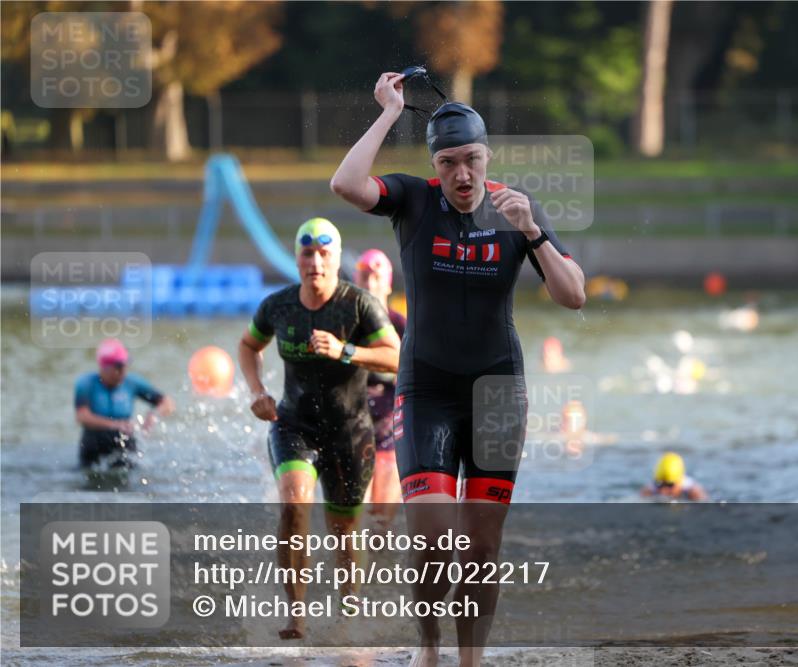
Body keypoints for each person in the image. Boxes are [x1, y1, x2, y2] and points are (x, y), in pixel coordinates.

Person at [331, 71, 586, 667]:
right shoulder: (414, 200)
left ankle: (470, 659)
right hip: (428, 390)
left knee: (481, 546)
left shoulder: (516, 208)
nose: (462, 175)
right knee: (431, 541)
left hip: (498, 392)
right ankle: (428, 646)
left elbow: (574, 295)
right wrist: (390, 113)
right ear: (435, 165)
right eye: (449, 163)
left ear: (487, 156)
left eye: (472, 159)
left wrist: (532, 232)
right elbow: (345, 184)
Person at [237, 218, 401, 640]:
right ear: (297, 259)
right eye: (307, 253)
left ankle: (348, 612)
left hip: (351, 431)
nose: (316, 262)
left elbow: (395, 356)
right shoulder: (278, 306)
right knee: (294, 505)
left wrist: (345, 350)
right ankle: (297, 616)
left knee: (344, 531)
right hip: (294, 424)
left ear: (336, 258)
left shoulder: (359, 304)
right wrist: (257, 391)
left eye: (324, 254)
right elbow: (248, 345)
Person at [355, 249, 407, 524]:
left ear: (388, 284)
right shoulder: (345, 326)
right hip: (354, 427)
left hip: (390, 429)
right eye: (364, 277)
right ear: (356, 282)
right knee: (353, 518)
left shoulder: (402, 326)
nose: (370, 284)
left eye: (376, 278)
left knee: (381, 522)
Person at [74, 338, 174, 470]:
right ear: (104, 368)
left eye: (125, 366)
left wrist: (153, 415)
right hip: (94, 441)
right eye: (118, 367)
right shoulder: (86, 383)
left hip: (124, 440)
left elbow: (167, 403)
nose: (123, 372)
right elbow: (82, 417)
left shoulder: (131, 383)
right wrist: (116, 425)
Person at [641, 452, 708, 501]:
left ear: (680, 482)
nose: (663, 491)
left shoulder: (693, 492)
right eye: (659, 484)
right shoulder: (649, 490)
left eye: (670, 485)